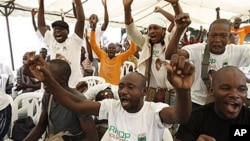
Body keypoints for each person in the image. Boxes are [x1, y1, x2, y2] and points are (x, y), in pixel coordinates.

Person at [24, 53, 195, 141]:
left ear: (144, 92)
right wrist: (47, 79)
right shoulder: (112, 107)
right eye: (120, 86)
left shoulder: (154, 111)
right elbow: (75, 104)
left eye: (130, 87)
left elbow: (181, 116)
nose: (123, 91)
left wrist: (183, 91)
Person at [166, 18, 250, 109]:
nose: (217, 40)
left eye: (223, 36)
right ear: (208, 36)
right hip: (196, 103)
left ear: (229, 37)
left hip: (224, 105)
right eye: (213, 35)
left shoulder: (237, 51)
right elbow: (170, 55)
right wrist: (179, 30)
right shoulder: (197, 50)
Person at [123, 0, 190, 104]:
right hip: (151, 92)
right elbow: (131, 30)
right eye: (149, 29)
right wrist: (127, 9)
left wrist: (175, 4)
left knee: (171, 120)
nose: (151, 31)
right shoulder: (145, 41)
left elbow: (180, 25)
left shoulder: (171, 39)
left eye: (155, 28)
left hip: (171, 93)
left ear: (164, 30)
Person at [24, 59, 98, 141]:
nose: (43, 80)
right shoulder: (48, 95)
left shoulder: (78, 100)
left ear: (62, 79)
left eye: (48, 77)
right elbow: (40, 127)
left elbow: (92, 138)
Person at [174, 66, 250, 141]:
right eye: (226, 88)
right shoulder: (194, 118)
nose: (234, 95)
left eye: (241, 89)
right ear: (212, 91)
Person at [37, 0, 85, 88]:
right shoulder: (51, 40)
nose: (57, 31)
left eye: (60, 29)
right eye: (55, 29)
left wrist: (77, 2)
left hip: (74, 86)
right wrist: (41, 3)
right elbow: (41, 25)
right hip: (56, 85)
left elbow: (81, 20)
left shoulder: (74, 41)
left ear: (68, 32)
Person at [85, 0, 109, 76]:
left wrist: (105, 7)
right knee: (85, 79)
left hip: (94, 57)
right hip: (85, 57)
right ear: (88, 20)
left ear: (97, 20)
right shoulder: (85, 30)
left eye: (94, 18)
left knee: (95, 77)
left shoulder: (98, 30)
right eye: (91, 18)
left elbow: (106, 22)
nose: (92, 20)